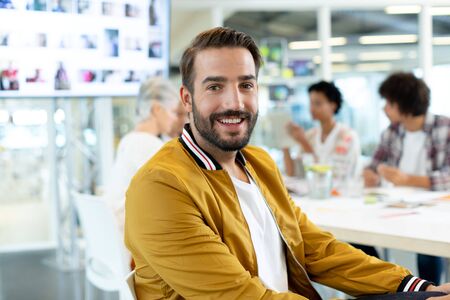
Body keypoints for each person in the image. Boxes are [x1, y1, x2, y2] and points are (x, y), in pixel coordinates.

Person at [125, 27, 450, 299]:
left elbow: (313, 248)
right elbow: (240, 295)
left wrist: (420, 289)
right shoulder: (161, 186)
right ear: (187, 98)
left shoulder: (258, 163)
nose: (234, 102)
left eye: (246, 84)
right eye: (215, 86)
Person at [363, 72, 450, 285]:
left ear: (405, 104)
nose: (384, 108)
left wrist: (408, 179)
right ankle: (382, 287)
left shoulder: (445, 127)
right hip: (396, 207)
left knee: (427, 249)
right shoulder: (392, 132)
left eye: (389, 103)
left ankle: (430, 293)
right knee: (359, 240)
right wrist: (371, 176)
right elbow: (371, 166)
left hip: (435, 211)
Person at [104, 77, 183, 237]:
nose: (176, 119)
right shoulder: (148, 145)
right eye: (173, 112)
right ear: (156, 110)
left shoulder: (130, 140)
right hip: (136, 243)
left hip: (118, 235)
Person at [282, 81, 360, 188]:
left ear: (333, 105)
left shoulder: (347, 136)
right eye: (311, 103)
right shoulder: (310, 135)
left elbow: (331, 176)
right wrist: (284, 143)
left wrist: (304, 143)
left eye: (318, 103)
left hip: (340, 196)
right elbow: (294, 173)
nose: (312, 109)